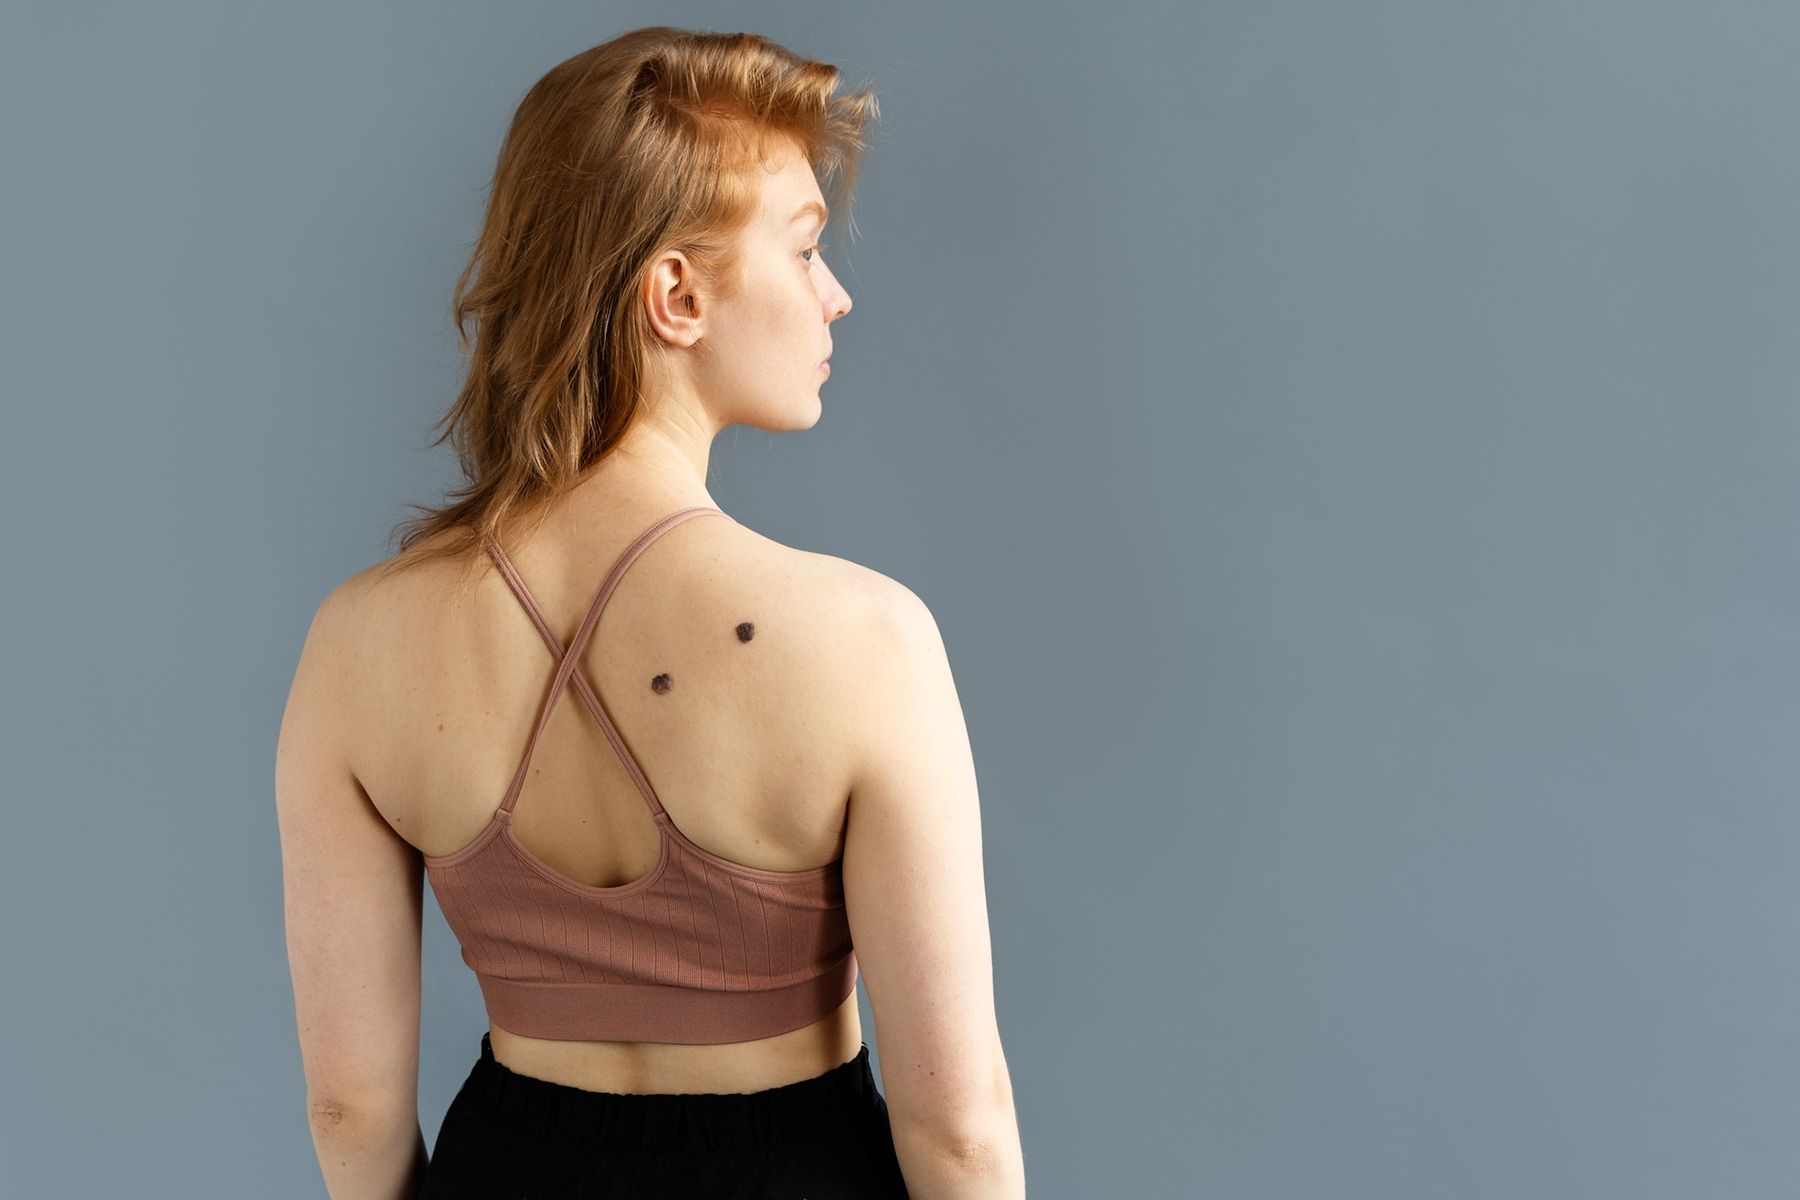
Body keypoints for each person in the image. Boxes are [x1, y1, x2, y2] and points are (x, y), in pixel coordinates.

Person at [275, 25, 1026, 1199]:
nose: (834, 298)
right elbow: (960, 1132)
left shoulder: (357, 642)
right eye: (805, 249)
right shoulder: (866, 642)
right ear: (675, 294)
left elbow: (347, 1105)